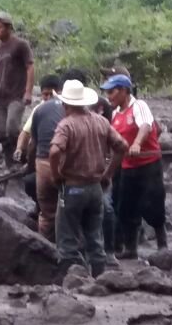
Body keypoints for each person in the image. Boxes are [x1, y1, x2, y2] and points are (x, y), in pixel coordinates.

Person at [50, 80, 128, 277]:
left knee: (67, 238)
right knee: (95, 237)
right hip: (95, 188)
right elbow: (122, 146)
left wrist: (56, 174)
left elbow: (54, 152)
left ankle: (72, 281)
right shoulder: (101, 121)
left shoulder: (66, 125)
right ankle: (100, 278)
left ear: (65, 104)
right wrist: (108, 173)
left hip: (72, 187)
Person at [103, 72, 166, 257]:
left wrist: (138, 143)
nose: (109, 97)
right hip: (127, 166)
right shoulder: (115, 113)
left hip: (148, 164)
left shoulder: (139, 106)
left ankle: (162, 243)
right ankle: (131, 249)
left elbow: (146, 125)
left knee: (153, 203)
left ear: (123, 91)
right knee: (126, 207)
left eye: (111, 92)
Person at [15, 75, 64, 240]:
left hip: (51, 162)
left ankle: (46, 242)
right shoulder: (40, 110)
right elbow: (26, 134)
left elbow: (34, 144)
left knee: (51, 210)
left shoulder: (58, 108)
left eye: (51, 94)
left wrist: (31, 164)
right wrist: (19, 149)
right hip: (56, 163)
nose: (48, 98)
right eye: (45, 95)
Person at [0, 12, 34, 167]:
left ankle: (24, 156)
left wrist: (28, 92)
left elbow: (30, 67)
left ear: (8, 28)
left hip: (16, 95)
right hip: (0, 98)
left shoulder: (20, 45)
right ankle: (8, 163)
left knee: (12, 129)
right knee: (1, 134)